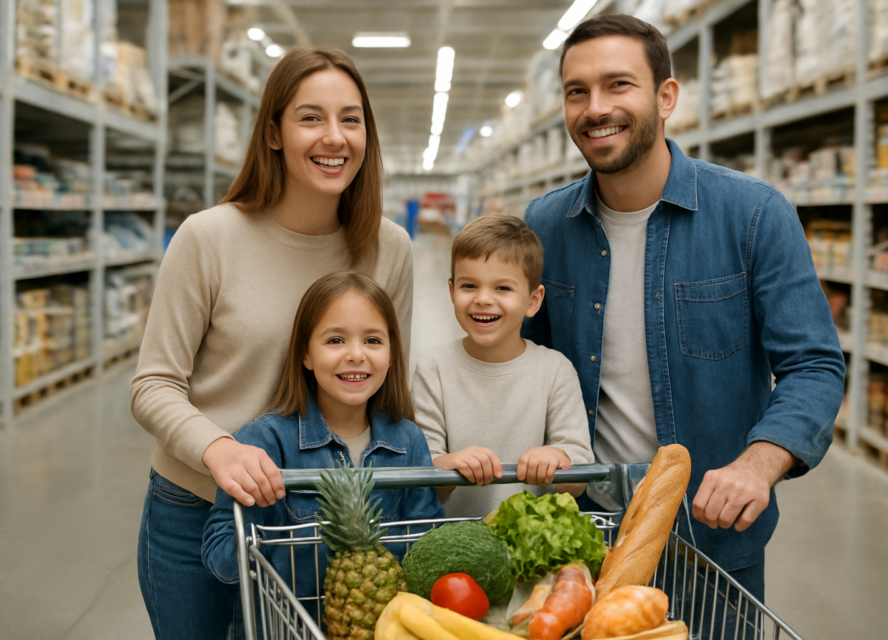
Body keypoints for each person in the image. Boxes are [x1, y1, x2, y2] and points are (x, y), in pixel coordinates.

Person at [521, 15, 846, 602]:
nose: (596, 108)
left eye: (619, 85)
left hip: (711, 546)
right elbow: (524, 363)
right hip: (585, 540)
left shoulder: (752, 215)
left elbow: (814, 365)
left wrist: (758, 463)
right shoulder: (544, 227)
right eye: (577, 91)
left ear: (666, 96)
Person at [130, 47, 414, 638]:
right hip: (195, 509)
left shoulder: (389, 249)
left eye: (351, 119)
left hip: (318, 519)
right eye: (310, 117)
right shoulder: (209, 237)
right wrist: (219, 449)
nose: (334, 137)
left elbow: (388, 393)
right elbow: (153, 385)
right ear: (274, 133)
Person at [202, 273, 443, 624]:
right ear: (306, 355)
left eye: (373, 340)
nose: (356, 355)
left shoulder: (409, 441)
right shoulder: (264, 443)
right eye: (335, 340)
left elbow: (428, 544)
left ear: (391, 354)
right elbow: (222, 557)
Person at [412, 216, 595, 519]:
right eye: (469, 285)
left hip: (534, 546)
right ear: (451, 291)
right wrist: (449, 464)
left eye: (502, 288)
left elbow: (578, 481)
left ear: (533, 301)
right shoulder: (434, 370)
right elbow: (423, 473)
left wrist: (557, 458)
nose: (483, 299)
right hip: (457, 548)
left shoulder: (555, 371)